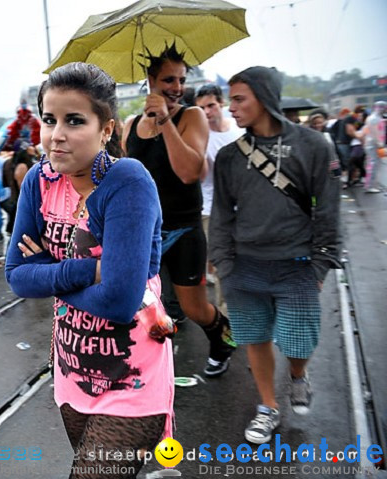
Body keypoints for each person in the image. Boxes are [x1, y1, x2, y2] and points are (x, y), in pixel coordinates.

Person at [6, 62, 173, 479]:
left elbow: (119, 301)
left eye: (74, 121)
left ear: (106, 129)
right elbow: (16, 275)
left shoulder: (127, 182)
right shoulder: (39, 182)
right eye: (49, 119)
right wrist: (90, 270)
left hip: (132, 374)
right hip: (71, 371)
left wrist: (51, 271)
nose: (56, 134)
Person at [210, 66, 340, 444]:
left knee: (299, 342)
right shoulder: (231, 157)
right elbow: (220, 213)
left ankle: (298, 376)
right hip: (244, 265)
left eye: (238, 99)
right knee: (256, 338)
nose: (230, 107)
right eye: (230, 99)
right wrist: (225, 262)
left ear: (264, 97)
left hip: (297, 265)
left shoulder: (314, 145)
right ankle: (268, 406)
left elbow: (328, 210)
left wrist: (320, 265)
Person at [122, 43, 236, 377]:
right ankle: (153, 362)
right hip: (145, 233)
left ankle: (224, 342)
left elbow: (188, 172)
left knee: (195, 308)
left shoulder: (192, 116)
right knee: (143, 304)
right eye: (169, 80)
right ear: (150, 80)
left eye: (181, 80)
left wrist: (165, 121)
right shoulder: (131, 125)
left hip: (184, 230)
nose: (177, 88)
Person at [195, 83, 245, 309]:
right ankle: (227, 318)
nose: (207, 112)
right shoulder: (200, 135)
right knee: (223, 264)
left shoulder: (238, 129)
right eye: (202, 108)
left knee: (244, 263)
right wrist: (201, 142)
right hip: (211, 210)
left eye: (211, 106)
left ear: (221, 103)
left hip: (244, 208)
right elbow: (201, 176)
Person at [362, 100, 386, 193]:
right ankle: (370, 186)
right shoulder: (374, 118)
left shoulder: (374, 117)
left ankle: (372, 184)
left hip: (372, 144)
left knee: (375, 164)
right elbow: (374, 132)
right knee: (373, 164)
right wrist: (379, 142)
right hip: (374, 145)